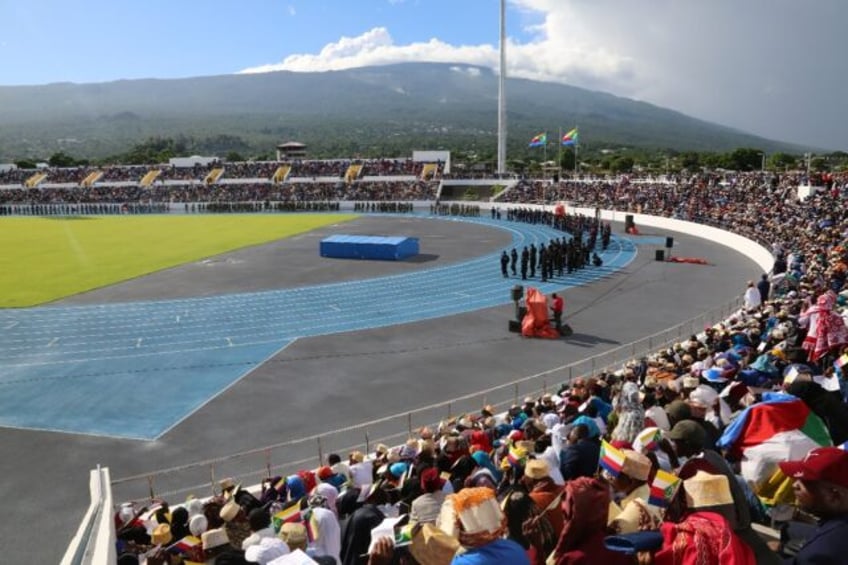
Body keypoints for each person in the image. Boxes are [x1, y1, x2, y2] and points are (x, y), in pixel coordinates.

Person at [778, 446, 848, 562]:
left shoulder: (823, 550)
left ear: (834, 495)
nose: (794, 485)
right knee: (789, 528)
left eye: (805, 482)